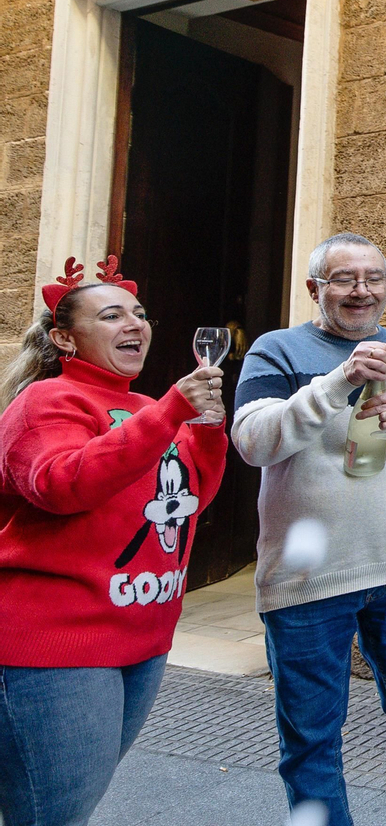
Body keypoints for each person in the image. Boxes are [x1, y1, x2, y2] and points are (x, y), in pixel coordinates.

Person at [232, 232, 386, 826]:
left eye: (375, 279)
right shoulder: (275, 350)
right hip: (306, 577)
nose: (362, 291)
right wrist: (336, 385)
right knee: (311, 737)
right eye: (344, 279)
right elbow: (253, 443)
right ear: (315, 289)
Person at [0, 255, 227, 826]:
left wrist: (206, 431)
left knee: (68, 804)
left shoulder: (148, 408)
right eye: (111, 315)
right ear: (64, 337)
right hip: (57, 646)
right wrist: (175, 409)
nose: (136, 324)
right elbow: (61, 484)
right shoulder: (47, 400)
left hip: (141, 639)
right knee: (53, 813)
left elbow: (189, 500)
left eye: (140, 313)